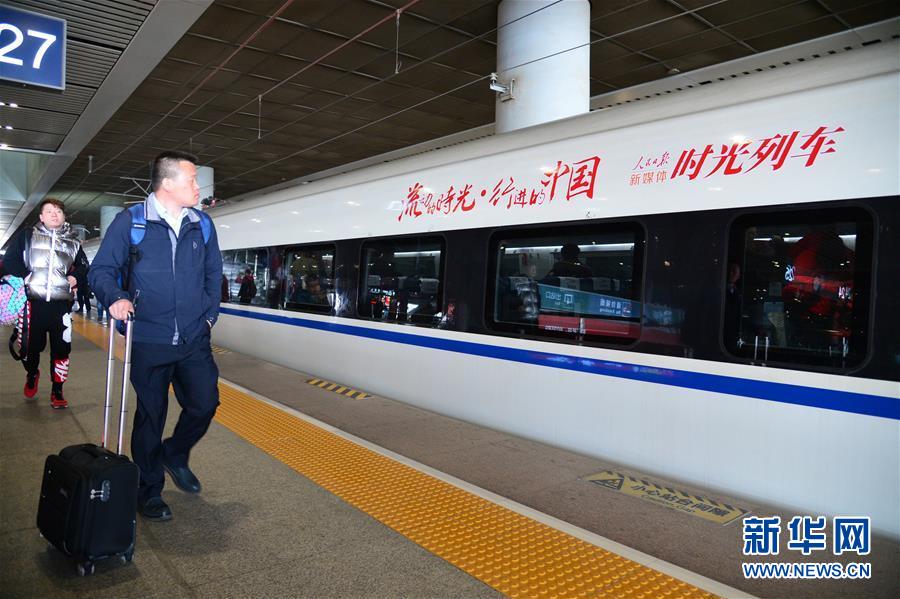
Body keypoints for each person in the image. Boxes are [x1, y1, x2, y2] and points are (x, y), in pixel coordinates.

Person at [89, 151, 223, 523]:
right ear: (167, 184)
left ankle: (174, 453)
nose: (199, 186)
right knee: (151, 416)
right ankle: (149, 491)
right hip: (148, 338)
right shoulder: (131, 222)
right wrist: (115, 298)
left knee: (205, 402)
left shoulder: (202, 224)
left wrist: (209, 317)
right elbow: (101, 270)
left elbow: (214, 275)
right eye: (193, 180)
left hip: (194, 339)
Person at [4, 198, 89, 409]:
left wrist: (75, 277)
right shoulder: (27, 236)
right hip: (32, 305)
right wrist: (25, 275)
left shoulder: (74, 242)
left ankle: (57, 391)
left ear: (63, 216)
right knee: (29, 349)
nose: (54, 214)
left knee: (62, 350)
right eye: (49, 211)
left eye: (58, 211)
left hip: (61, 308)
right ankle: (32, 373)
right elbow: (10, 260)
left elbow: (84, 266)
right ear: (41, 217)